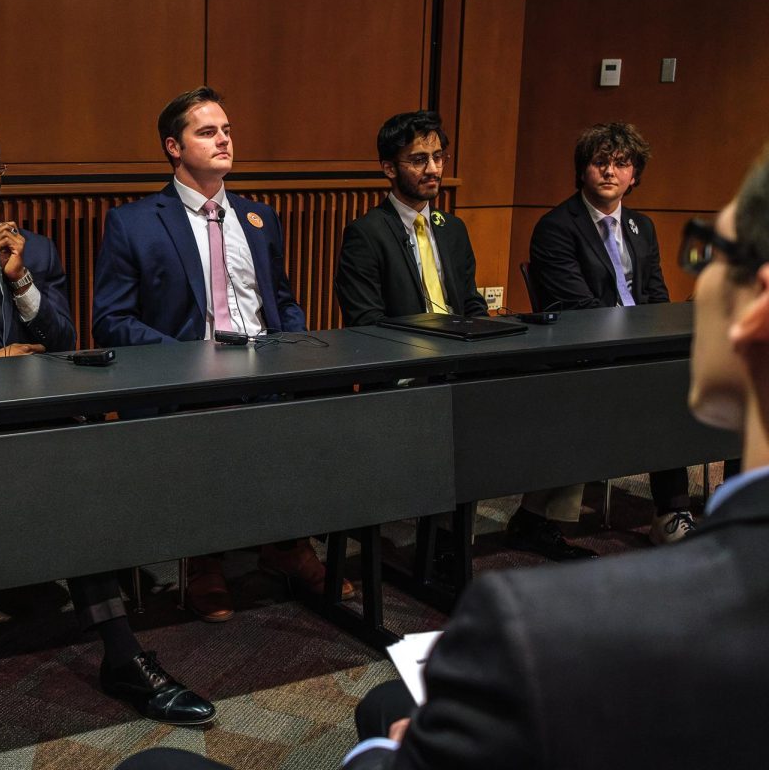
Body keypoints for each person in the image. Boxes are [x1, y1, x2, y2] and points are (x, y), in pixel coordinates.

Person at [116, 144, 769, 770]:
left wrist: (388, 752)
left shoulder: (535, 625)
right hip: (250, 372)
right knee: (385, 700)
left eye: (710, 252)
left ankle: (292, 546)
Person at [0, 116, 214, 726]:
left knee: (95, 464)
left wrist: (22, 280)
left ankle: (128, 616)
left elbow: (62, 338)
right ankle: (123, 655)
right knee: (70, 492)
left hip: (42, 418)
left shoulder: (33, 246)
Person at [92, 86, 351, 623]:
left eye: (227, 130)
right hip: (189, 377)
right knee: (210, 421)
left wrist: (295, 347)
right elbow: (111, 320)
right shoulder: (135, 221)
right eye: (207, 132)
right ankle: (202, 558)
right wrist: (190, 357)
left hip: (267, 364)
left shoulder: (258, 217)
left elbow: (280, 300)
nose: (224, 139)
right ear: (173, 146)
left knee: (331, 403)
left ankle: (287, 544)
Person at [518, 123, 696, 550]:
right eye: (600, 162)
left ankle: (699, 508)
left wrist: (660, 338)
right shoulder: (557, 226)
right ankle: (671, 509)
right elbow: (577, 309)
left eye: (621, 164)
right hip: (587, 353)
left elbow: (656, 296)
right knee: (664, 388)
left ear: (634, 175)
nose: (610, 172)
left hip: (639, 347)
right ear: (582, 171)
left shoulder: (642, 227)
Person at [336, 111, 487, 325]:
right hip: (404, 351)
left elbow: (471, 302)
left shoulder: (454, 228)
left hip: (459, 349)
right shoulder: (366, 234)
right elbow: (366, 320)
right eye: (419, 160)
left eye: (438, 157)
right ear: (389, 168)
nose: (433, 169)